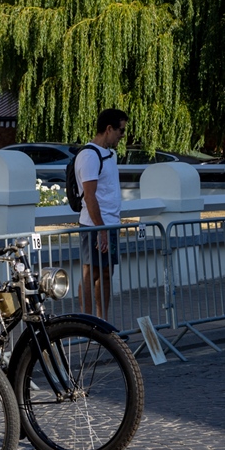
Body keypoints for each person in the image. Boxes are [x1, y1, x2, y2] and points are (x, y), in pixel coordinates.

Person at [75, 108, 128, 320]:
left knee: (106, 273)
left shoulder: (110, 155)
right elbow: (90, 196)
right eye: (121, 131)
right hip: (94, 226)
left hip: (110, 225)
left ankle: (102, 322)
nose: (122, 136)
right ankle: (87, 323)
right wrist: (101, 230)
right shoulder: (89, 155)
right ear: (109, 129)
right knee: (91, 272)